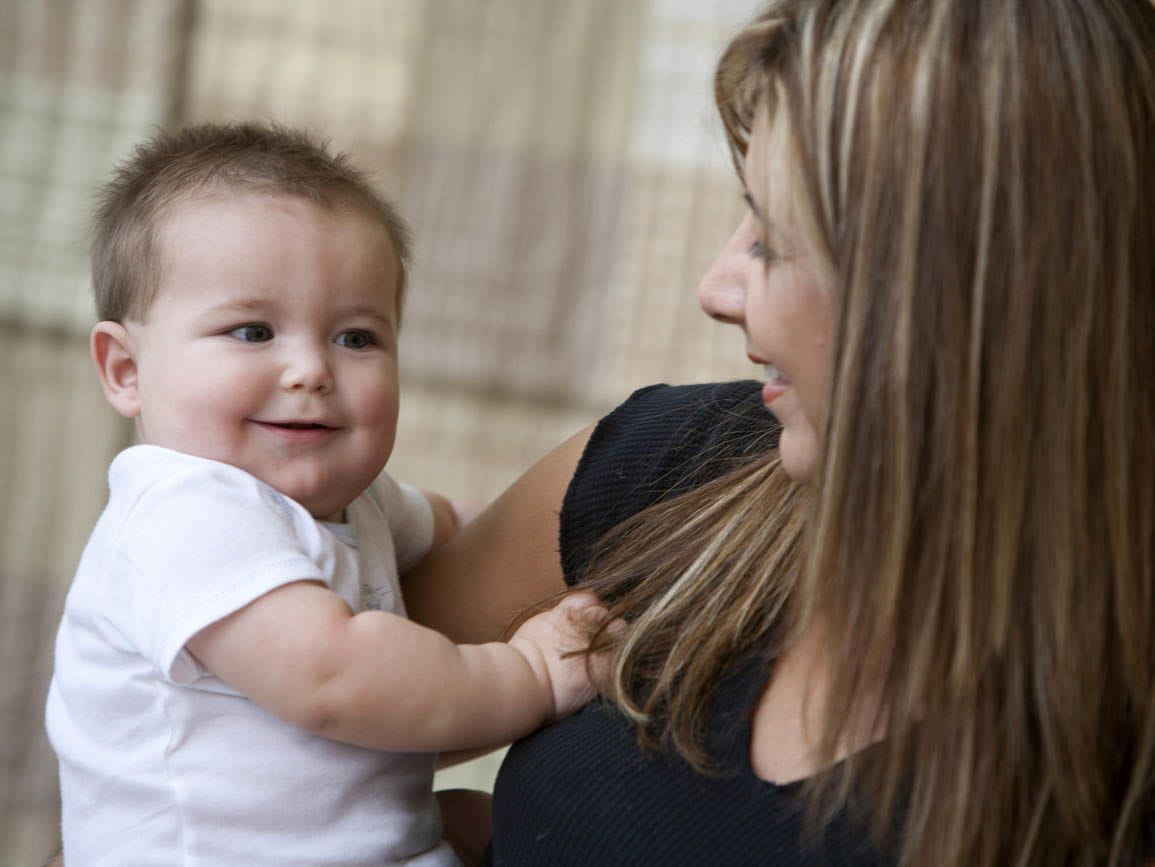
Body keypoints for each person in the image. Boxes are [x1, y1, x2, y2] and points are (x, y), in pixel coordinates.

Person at [405, 0, 1155, 864]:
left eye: (772, 240)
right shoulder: (667, 467)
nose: (716, 288)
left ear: (958, 299)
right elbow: (254, 706)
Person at [45, 121, 611, 866]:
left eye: (355, 338)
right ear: (125, 369)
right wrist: (528, 675)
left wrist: (527, 535)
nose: (311, 368)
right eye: (252, 331)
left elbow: (444, 523)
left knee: (484, 819)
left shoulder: (355, 501)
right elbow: (334, 676)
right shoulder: (185, 514)